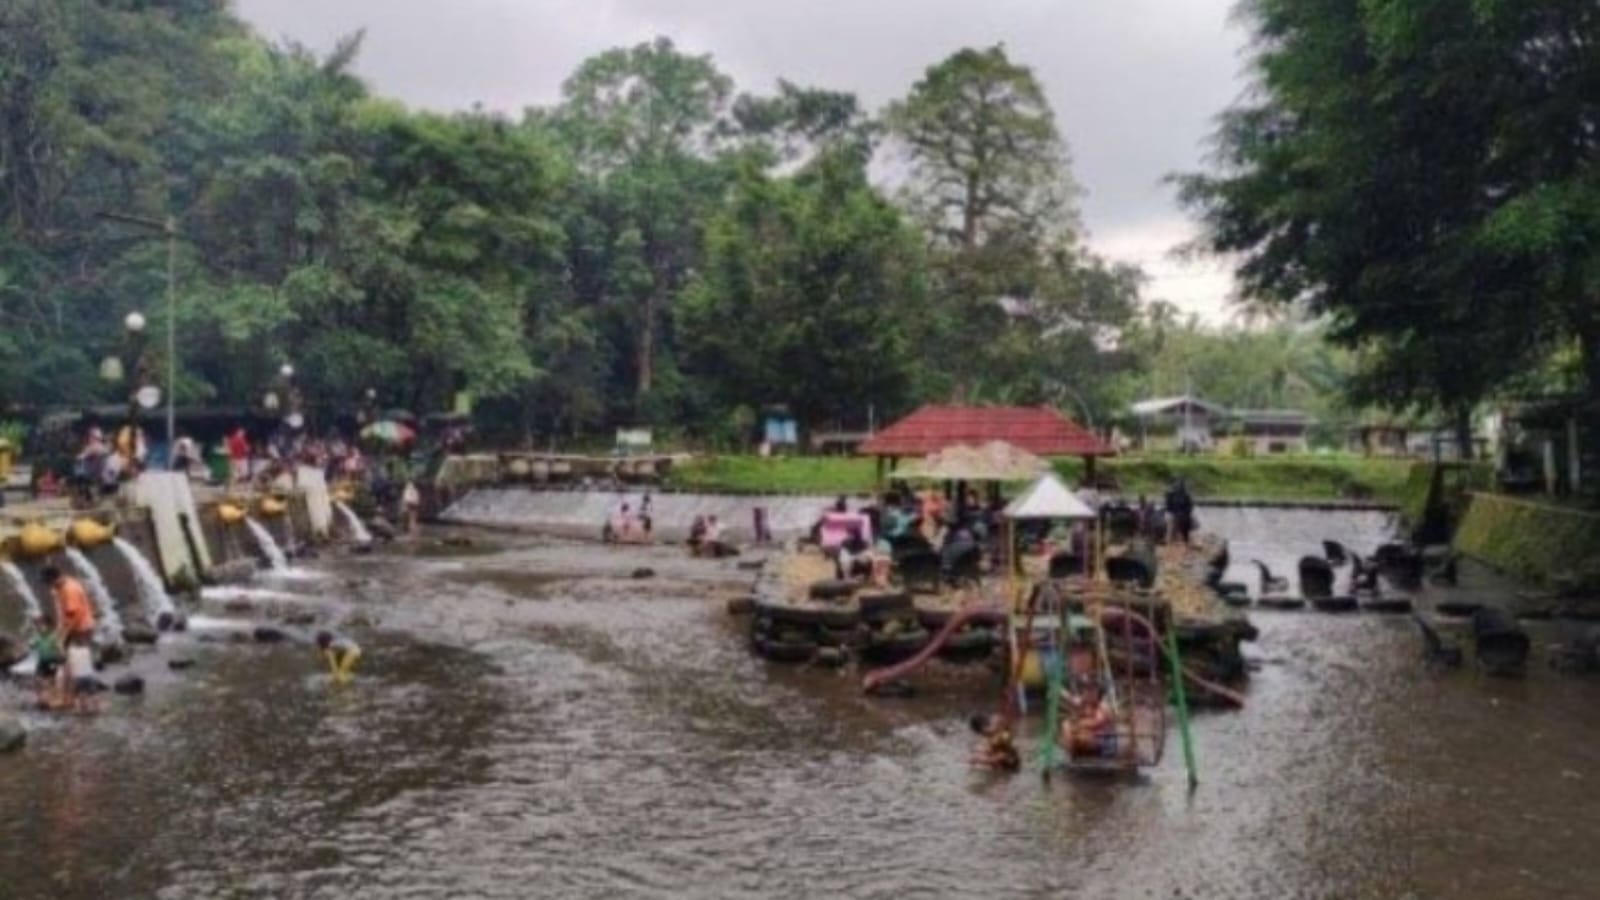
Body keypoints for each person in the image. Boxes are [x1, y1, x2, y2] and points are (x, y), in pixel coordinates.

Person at [45, 566, 96, 709]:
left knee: (76, 664)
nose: (50, 587)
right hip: (80, 627)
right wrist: (58, 633)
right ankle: (68, 697)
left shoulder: (69, 590)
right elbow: (66, 616)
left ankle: (78, 700)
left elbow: (74, 616)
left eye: (49, 582)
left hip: (80, 629)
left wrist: (63, 636)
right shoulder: (67, 584)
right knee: (67, 663)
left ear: (54, 579)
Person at [29, 616, 65, 710]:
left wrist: (61, 655)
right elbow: (32, 646)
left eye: (42, 625)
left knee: (49, 680)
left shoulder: (52, 636)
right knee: (37, 679)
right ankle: (40, 698)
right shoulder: (38, 637)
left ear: (48, 626)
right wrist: (31, 645)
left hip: (51, 660)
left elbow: (59, 646)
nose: (39, 628)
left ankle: (51, 698)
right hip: (42, 661)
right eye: (38, 626)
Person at [1165, 477, 1195, 546]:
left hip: (1183, 513)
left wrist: (1187, 512)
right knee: (1170, 524)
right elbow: (1169, 506)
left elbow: (1190, 505)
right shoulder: (1171, 494)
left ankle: (1187, 537)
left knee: (1191, 521)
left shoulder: (1186, 495)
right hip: (1173, 513)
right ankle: (1169, 541)